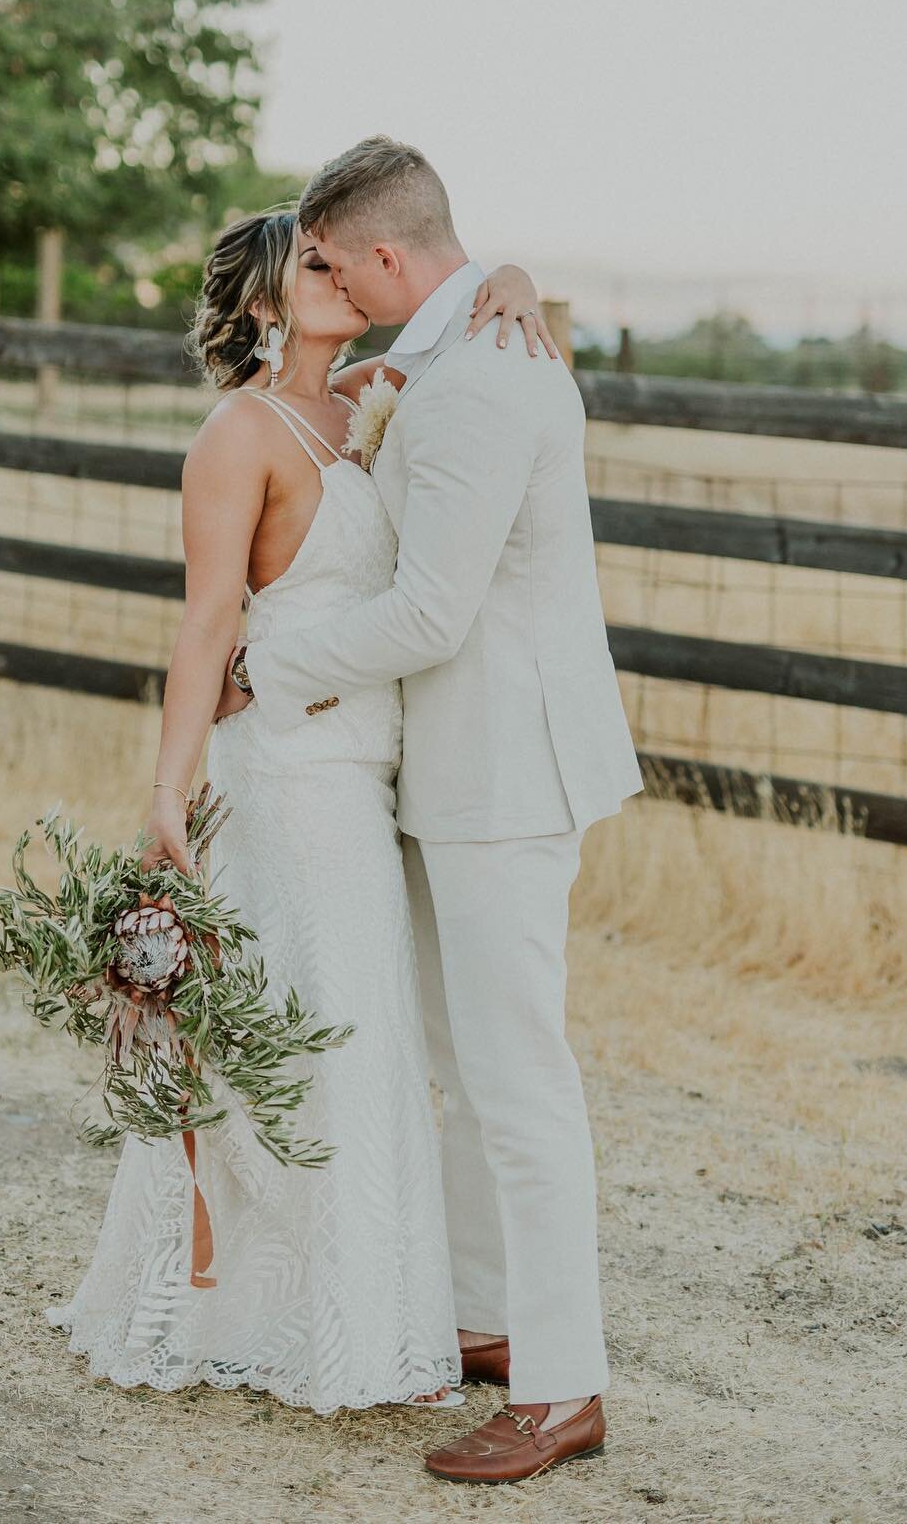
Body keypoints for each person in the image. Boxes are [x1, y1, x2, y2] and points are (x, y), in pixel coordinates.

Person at [46, 207, 548, 1414]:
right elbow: (207, 620)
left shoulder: (366, 401)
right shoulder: (240, 432)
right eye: (311, 263)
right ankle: (255, 1311)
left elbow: (473, 335)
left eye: (341, 256)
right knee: (308, 1038)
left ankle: (356, 1310)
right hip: (279, 773)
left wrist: (515, 277)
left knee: (358, 1033)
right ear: (265, 300)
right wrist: (168, 794)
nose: (337, 272)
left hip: (364, 779)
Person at [219, 137, 643, 1483]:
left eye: (332, 259)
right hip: (454, 771)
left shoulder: (474, 389)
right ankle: (490, 1319)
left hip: (503, 777)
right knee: (468, 1064)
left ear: (388, 258)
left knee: (520, 1082)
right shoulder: (454, 353)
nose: (319, 278)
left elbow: (427, 612)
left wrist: (270, 663)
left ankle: (563, 1386)